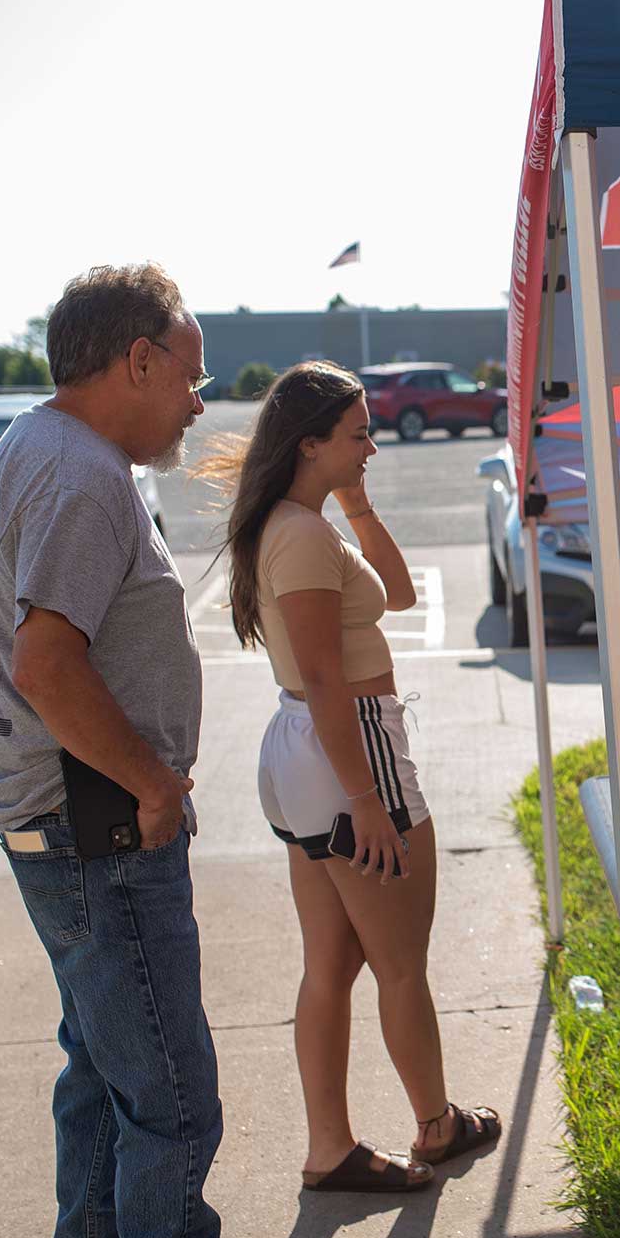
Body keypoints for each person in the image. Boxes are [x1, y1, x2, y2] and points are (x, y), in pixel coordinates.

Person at [0, 263, 221, 1238]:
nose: (199, 401)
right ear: (138, 358)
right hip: (102, 828)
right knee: (169, 1099)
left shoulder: (36, 443)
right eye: (189, 375)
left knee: (107, 1082)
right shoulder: (83, 477)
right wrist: (156, 785)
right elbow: (48, 666)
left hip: (63, 823)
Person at [207, 361, 501, 1192]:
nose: (373, 444)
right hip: (350, 749)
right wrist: (370, 801)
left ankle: (330, 1149)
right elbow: (327, 678)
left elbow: (400, 595)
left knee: (331, 964)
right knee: (402, 962)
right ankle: (436, 1128)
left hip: (310, 752)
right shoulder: (298, 535)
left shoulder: (303, 522)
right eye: (357, 433)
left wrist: (356, 503)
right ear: (309, 443)